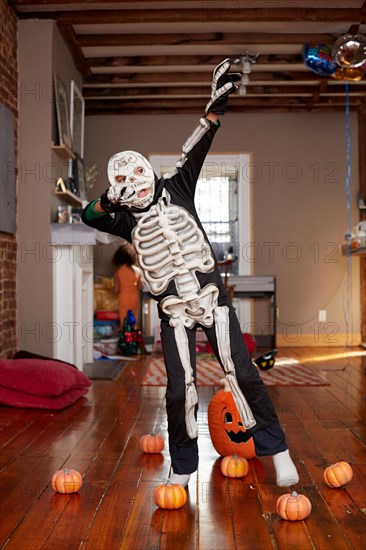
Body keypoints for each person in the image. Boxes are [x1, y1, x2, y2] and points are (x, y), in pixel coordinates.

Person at [82, 59, 299, 489]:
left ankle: (278, 451)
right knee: (179, 389)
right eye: (124, 180)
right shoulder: (123, 219)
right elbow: (88, 215)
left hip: (212, 302)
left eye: (137, 174)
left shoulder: (177, 186)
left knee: (242, 371)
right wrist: (110, 198)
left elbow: (199, 141)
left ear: (148, 172)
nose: (136, 184)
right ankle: (182, 469)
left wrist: (218, 100)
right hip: (174, 313)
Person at [112, 242, 141, 326]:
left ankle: (125, 335)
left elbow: (116, 289)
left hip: (123, 297)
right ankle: (134, 334)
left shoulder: (118, 271)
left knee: (124, 317)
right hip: (134, 297)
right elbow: (140, 287)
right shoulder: (137, 271)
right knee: (133, 316)